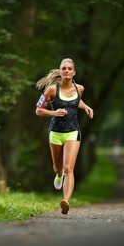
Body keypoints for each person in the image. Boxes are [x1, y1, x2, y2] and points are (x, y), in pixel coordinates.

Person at [35, 58, 93, 214]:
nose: (66, 70)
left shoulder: (79, 88)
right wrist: (54, 112)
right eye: (64, 68)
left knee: (69, 168)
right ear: (60, 72)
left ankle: (65, 201)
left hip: (73, 132)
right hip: (55, 132)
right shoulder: (52, 90)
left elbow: (76, 101)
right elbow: (38, 110)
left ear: (73, 72)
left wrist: (85, 106)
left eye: (69, 68)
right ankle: (58, 174)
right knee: (58, 167)